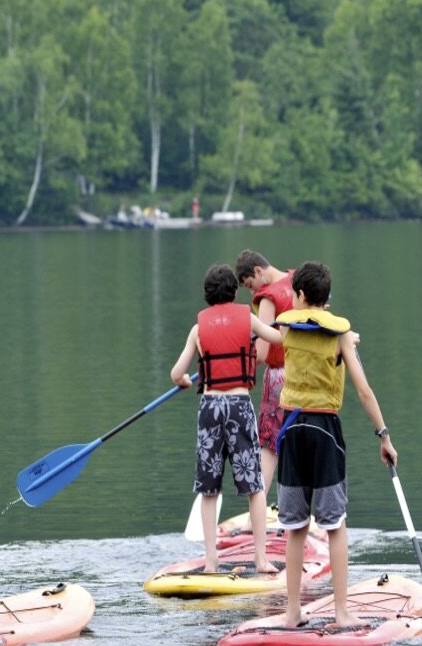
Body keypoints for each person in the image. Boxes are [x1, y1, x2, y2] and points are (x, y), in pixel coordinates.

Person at [274, 261, 397, 626]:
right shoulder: (340, 336)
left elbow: (288, 332)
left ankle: (292, 612)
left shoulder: (288, 331)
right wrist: (384, 436)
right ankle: (342, 613)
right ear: (327, 299)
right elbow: (363, 390)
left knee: (295, 526)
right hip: (325, 430)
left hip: (292, 429)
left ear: (299, 296)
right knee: (334, 525)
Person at [170, 263, 284, 574]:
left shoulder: (198, 329)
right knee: (255, 486)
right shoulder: (246, 318)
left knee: (209, 489)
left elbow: (177, 373)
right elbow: (276, 338)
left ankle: (210, 562)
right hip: (238, 407)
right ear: (234, 292)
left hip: (210, 409)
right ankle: (261, 560)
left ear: (207, 295)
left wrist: (184, 382)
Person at [235, 249, 295, 495]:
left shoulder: (267, 297)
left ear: (258, 271)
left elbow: (261, 352)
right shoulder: (298, 278)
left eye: (250, 285)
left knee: (270, 444)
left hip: (280, 377)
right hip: (306, 371)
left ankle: (257, 506)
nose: (253, 293)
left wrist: (233, 366)